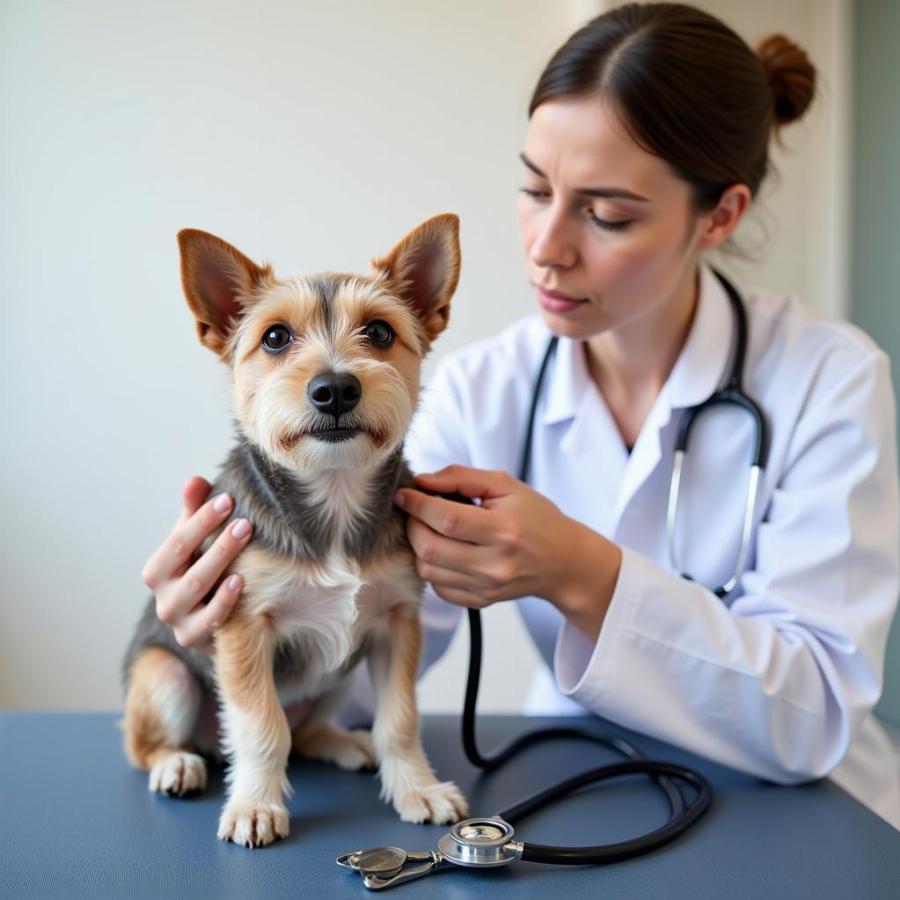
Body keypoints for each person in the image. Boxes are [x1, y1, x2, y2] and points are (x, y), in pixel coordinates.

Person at [140, 3, 900, 829]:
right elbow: (367, 631)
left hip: (812, 813)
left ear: (719, 215)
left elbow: (816, 715)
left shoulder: (829, 377)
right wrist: (214, 629)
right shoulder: (480, 388)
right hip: (578, 785)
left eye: (606, 212)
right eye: (535, 188)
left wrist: (580, 573)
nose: (546, 245)